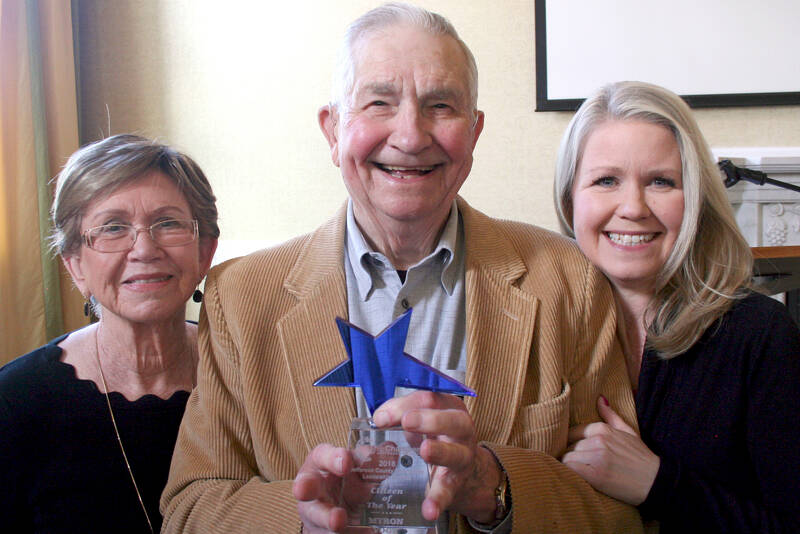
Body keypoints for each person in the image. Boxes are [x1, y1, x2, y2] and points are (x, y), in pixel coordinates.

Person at [161, 4, 643, 533]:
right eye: (378, 102)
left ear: (475, 132)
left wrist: (495, 487)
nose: (411, 136)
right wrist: (300, 521)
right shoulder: (241, 296)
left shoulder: (567, 281)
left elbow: (621, 516)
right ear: (333, 129)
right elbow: (189, 510)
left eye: (441, 106)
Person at [555, 81, 800, 532]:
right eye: (606, 180)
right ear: (571, 199)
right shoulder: (538, 325)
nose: (632, 207)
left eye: (661, 182)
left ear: (696, 200)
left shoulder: (761, 334)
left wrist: (658, 483)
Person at [0, 134, 219, 533]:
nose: (144, 249)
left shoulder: (249, 379)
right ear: (75, 265)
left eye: (167, 223)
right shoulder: (14, 402)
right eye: (113, 228)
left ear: (205, 251)